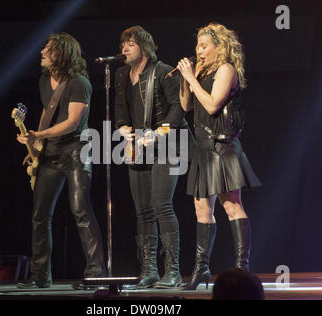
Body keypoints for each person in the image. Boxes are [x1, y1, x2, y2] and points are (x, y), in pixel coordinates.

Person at [16, 32, 107, 288]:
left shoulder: (79, 82)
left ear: (62, 53)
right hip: (51, 153)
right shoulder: (45, 81)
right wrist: (35, 145)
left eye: (48, 48)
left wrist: (40, 134)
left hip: (77, 150)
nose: (42, 52)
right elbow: (49, 110)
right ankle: (40, 276)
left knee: (81, 210)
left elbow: (72, 122)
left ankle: (95, 273)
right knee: (39, 215)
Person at [176, 23, 261, 290]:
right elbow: (186, 105)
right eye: (197, 46)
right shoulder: (201, 71)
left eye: (204, 46)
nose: (198, 51)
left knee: (231, 205)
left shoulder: (226, 70)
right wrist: (186, 78)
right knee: (202, 209)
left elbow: (213, 105)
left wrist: (191, 79)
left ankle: (241, 268)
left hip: (222, 147)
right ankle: (201, 270)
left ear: (219, 47)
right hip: (202, 147)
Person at [114, 25, 187, 288]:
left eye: (130, 43)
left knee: (161, 205)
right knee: (142, 211)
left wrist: (159, 133)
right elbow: (120, 108)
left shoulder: (164, 71)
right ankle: (149, 270)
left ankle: (173, 271)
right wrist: (122, 127)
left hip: (167, 146)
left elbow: (179, 109)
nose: (124, 48)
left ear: (143, 47)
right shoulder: (122, 74)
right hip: (139, 147)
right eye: (123, 44)